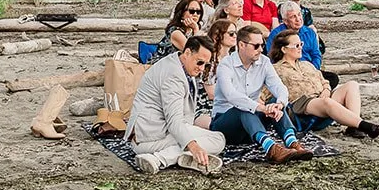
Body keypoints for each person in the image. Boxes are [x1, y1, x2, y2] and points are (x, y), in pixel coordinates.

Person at [211, 23, 311, 162]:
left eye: (262, 45)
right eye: (256, 46)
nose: (260, 49)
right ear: (241, 45)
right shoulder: (226, 65)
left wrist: (279, 105)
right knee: (244, 108)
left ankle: (292, 142)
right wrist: (261, 108)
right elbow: (231, 95)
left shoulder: (264, 62)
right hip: (225, 123)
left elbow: (279, 87)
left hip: (253, 122)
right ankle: (271, 149)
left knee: (273, 102)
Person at [127, 35, 225, 175]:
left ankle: (181, 157)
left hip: (153, 132)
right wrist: (193, 146)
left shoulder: (178, 63)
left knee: (209, 139)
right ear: (187, 53)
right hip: (150, 138)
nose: (202, 69)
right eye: (200, 62)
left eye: (206, 65)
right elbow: (174, 122)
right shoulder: (173, 76)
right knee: (218, 140)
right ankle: (158, 159)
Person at [270, 29, 379, 140]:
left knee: (351, 85)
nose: (300, 48)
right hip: (301, 105)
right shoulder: (275, 69)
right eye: (296, 46)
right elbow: (264, 93)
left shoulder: (306, 64)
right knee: (326, 102)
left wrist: (326, 90)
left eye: (301, 44)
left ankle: (353, 126)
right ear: (284, 49)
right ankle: (365, 126)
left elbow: (324, 80)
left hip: (322, 97)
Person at [198, 19, 238, 116]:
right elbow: (211, 93)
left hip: (232, 103)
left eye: (236, 33)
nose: (235, 36)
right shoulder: (209, 60)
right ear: (217, 36)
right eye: (231, 33)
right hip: (207, 106)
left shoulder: (234, 58)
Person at [267, 2, 324, 69]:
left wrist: (313, 70)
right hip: (286, 70)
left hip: (309, 69)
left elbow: (316, 55)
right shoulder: (276, 34)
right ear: (285, 21)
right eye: (293, 17)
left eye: (299, 14)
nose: (298, 19)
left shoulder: (310, 32)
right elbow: (272, 57)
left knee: (333, 77)